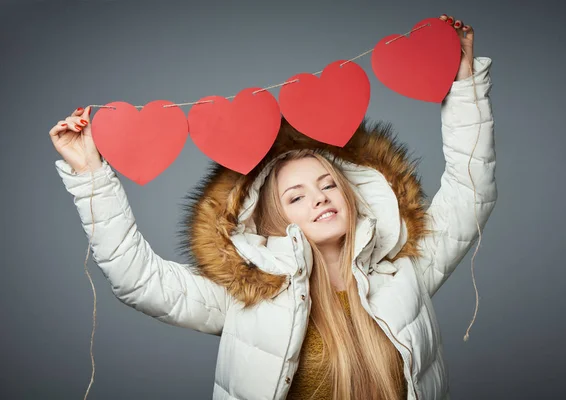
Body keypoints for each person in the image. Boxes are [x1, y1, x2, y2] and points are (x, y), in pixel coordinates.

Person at [49, 14, 496, 400]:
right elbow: (137, 279)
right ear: (271, 220)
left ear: (350, 195)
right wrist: (91, 176)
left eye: (328, 185)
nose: (319, 197)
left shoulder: (404, 275)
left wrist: (462, 82)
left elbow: (470, 191)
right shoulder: (250, 297)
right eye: (295, 196)